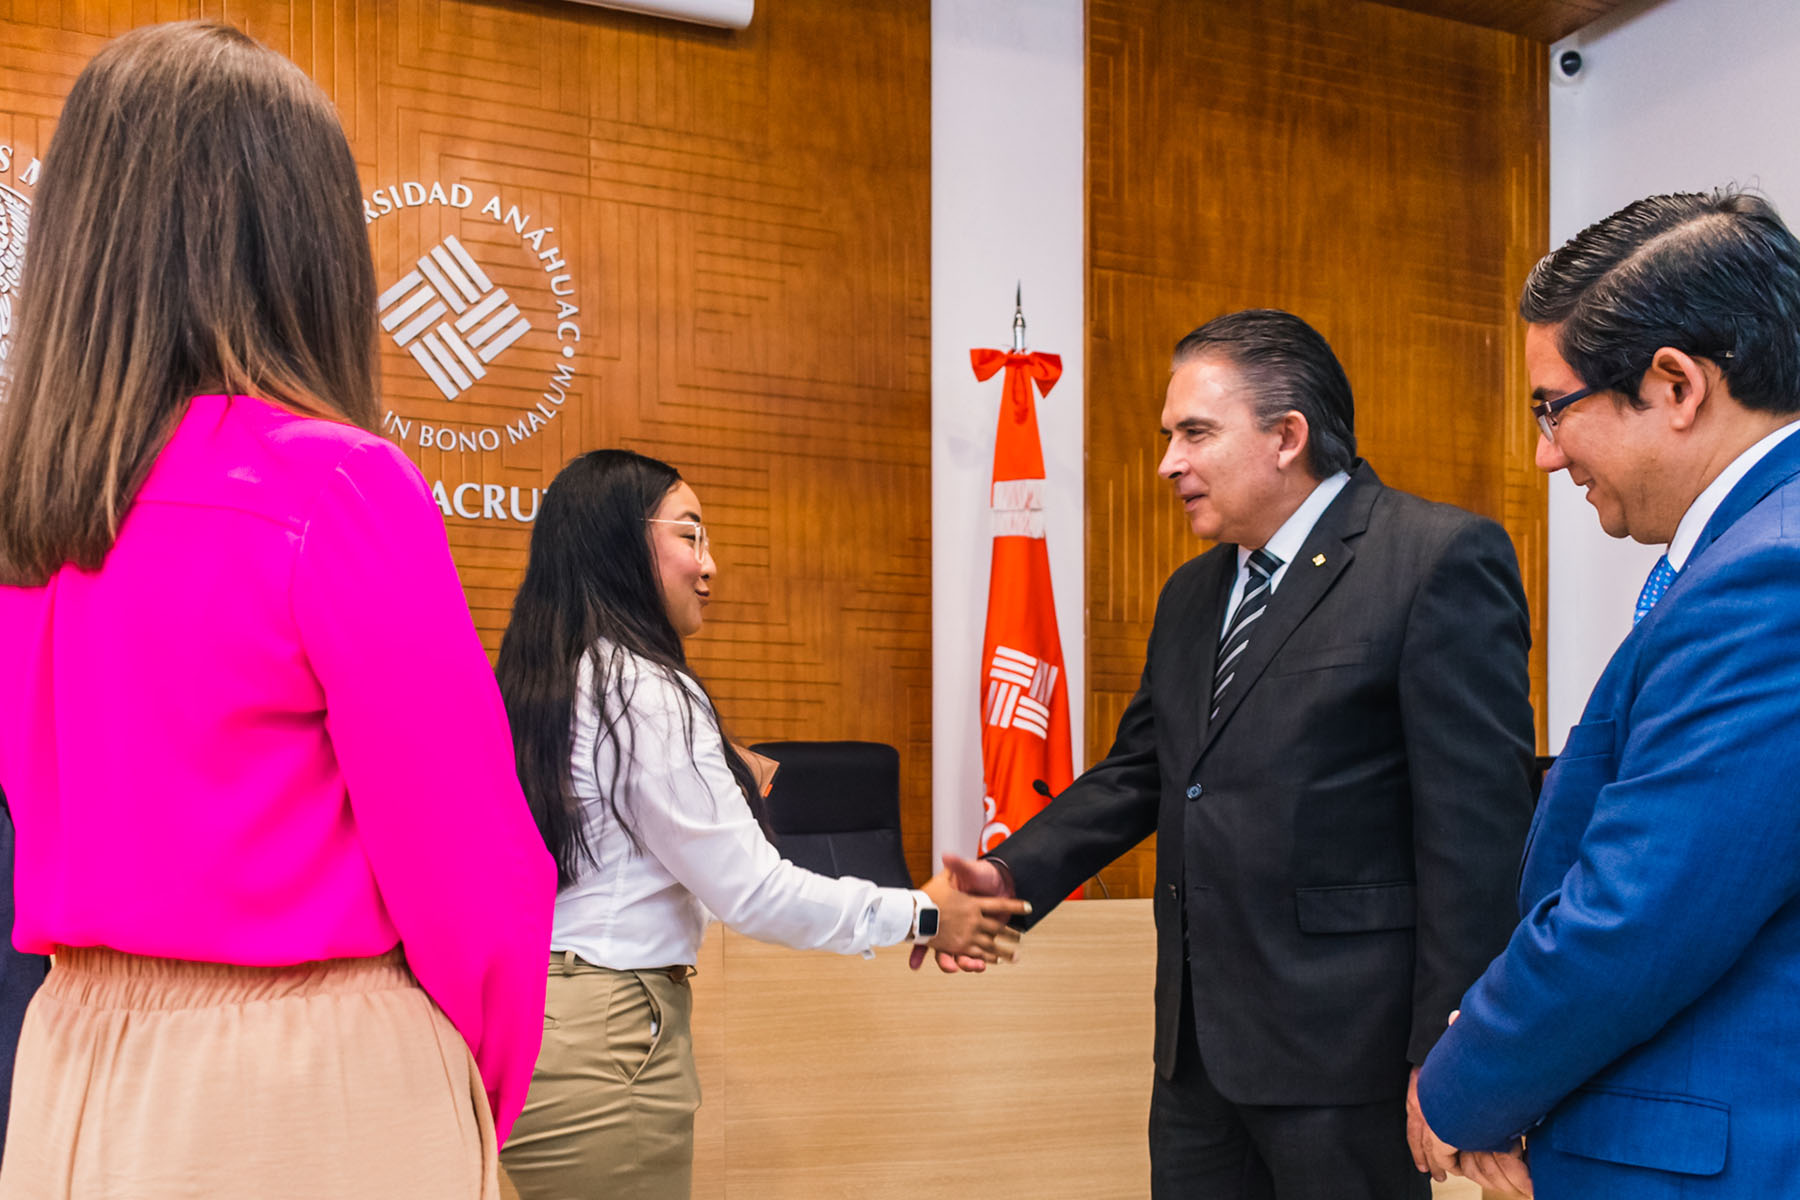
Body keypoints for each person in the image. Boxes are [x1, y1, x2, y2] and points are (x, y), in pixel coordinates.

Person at [0, 22, 555, 1199]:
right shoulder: (335, 485)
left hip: (68, 1072)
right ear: (304, 243)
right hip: (306, 1081)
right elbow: (477, 879)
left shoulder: (24, 523)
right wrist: (469, 1096)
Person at [925, 309, 1536, 1199]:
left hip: (1348, 1061)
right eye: (1169, 435)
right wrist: (1007, 876)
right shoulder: (1193, 591)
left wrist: (1450, 1054)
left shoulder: (1434, 559)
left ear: (1288, 436)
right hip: (1197, 1058)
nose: (1169, 462)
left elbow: (1476, 831)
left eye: (1195, 433)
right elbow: (1144, 771)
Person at [494, 449, 1026, 1200]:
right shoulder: (642, 691)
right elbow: (754, 894)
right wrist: (925, 912)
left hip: (538, 1018)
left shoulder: (558, 675)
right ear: (621, 542)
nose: (710, 566)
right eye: (690, 535)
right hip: (606, 1039)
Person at [1418, 189, 1800, 1200]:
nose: (1544, 452)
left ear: (1675, 384)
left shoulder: (1773, 576)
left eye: (1554, 407)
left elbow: (1641, 909)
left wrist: (1458, 1085)